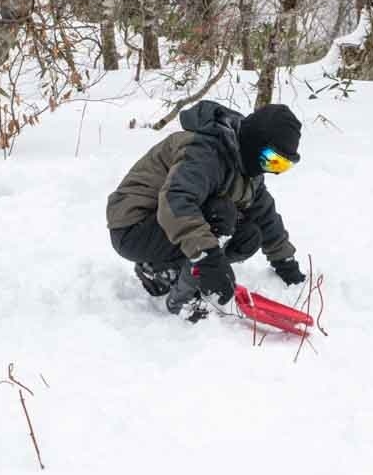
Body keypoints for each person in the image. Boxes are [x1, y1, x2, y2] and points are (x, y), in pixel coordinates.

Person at [106, 101, 306, 321]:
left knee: (248, 236)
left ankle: (169, 272)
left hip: (166, 224)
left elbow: (265, 215)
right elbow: (176, 202)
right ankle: (182, 298)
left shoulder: (248, 168)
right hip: (133, 226)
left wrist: (285, 262)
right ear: (255, 142)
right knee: (221, 213)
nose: (272, 170)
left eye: (281, 166)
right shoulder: (205, 150)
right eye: (272, 160)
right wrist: (208, 257)